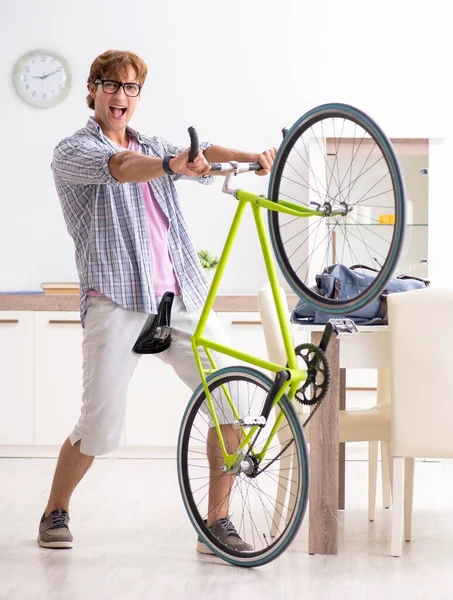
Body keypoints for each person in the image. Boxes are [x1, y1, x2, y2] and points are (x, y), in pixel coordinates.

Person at [38, 49, 276, 553]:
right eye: (111, 85)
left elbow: (204, 151)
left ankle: (215, 523)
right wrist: (172, 165)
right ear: (94, 90)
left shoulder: (151, 141)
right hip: (117, 300)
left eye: (130, 88)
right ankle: (54, 510)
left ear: (138, 95)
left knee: (232, 405)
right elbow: (121, 166)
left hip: (180, 296)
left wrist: (250, 159)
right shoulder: (72, 150)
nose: (121, 96)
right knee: (99, 427)